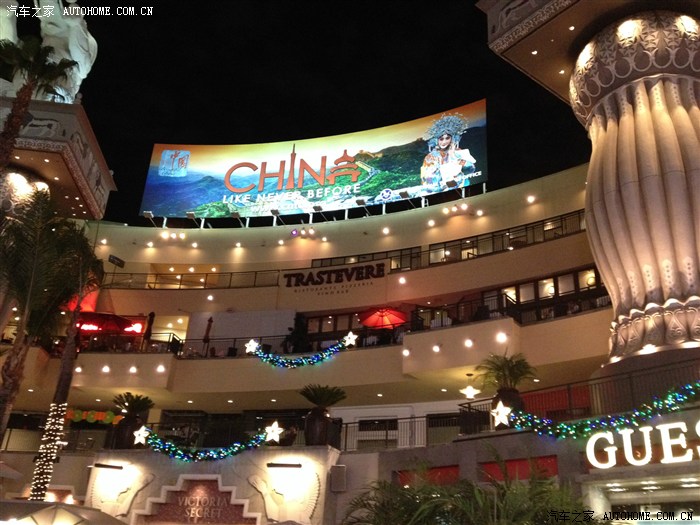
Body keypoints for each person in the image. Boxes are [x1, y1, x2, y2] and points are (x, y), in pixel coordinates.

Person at [420, 113, 476, 192]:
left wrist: (456, 158)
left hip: (461, 186)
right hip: (439, 190)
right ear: (436, 140)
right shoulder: (430, 157)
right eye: (441, 139)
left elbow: (471, 169)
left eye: (447, 138)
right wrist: (434, 176)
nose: (444, 142)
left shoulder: (458, 151)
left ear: (452, 139)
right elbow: (425, 178)